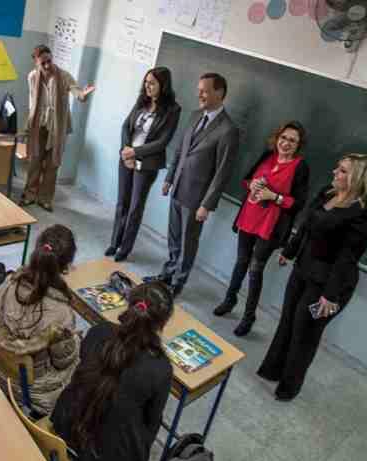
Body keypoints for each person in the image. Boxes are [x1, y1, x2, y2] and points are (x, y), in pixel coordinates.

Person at [258, 154, 367, 401]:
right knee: (288, 320)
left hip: (327, 282)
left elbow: (347, 258)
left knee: (305, 332)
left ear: (357, 179)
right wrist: (289, 251)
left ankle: (288, 387)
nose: (335, 172)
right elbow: (305, 226)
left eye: (343, 171)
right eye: (338, 167)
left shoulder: (364, 216)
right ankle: (272, 370)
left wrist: (330, 295)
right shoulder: (327, 193)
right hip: (303, 268)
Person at [51, 282, 174, 461]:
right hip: (101, 457)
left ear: (130, 303)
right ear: (162, 323)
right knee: (145, 441)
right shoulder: (160, 368)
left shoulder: (99, 331)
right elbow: (152, 421)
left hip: (62, 425)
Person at [145, 72, 240, 297]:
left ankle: (178, 282)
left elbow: (222, 172)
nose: (199, 94)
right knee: (174, 236)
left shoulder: (228, 130)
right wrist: (169, 178)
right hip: (178, 187)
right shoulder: (196, 115)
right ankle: (168, 273)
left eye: (204, 90)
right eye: (199, 89)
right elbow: (180, 149)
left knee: (188, 241)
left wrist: (207, 204)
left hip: (197, 198)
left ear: (220, 93)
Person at [213, 121, 310, 336]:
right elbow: (246, 180)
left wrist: (274, 197)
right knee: (241, 262)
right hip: (249, 216)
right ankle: (229, 300)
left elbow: (298, 203)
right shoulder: (267, 156)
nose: (286, 143)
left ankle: (249, 316)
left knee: (255, 270)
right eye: (283, 138)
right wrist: (253, 185)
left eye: (292, 141)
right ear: (277, 138)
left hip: (271, 225)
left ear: (298, 145)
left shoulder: (300, 167)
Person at [0, 225, 80, 416]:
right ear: (67, 266)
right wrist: (75, 342)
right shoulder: (62, 313)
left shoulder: (8, 283)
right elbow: (63, 362)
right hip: (30, 390)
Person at [108, 67, 182, 262]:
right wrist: (126, 149)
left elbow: (163, 141)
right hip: (127, 158)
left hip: (147, 163)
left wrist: (136, 152)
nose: (147, 86)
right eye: (146, 82)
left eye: (152, 83)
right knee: (121, 203)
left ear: (163, 85)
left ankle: (125, 248)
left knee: (135, 208)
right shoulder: (142, 101)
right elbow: (126, 125)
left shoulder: (173, 110)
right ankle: (114, 242)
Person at [21, 45, 95, 212]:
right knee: (34, 161)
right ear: (36, 63)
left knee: (52, 163)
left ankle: (45, 198)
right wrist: (29, 126)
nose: (47, 66)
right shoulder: (32, 77)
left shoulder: (63, 76)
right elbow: (32, 102)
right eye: (43, 63)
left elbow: (77, 92)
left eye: (49, 61)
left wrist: (83, 95)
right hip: (38, 124)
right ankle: (30, 194)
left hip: (58, 126)